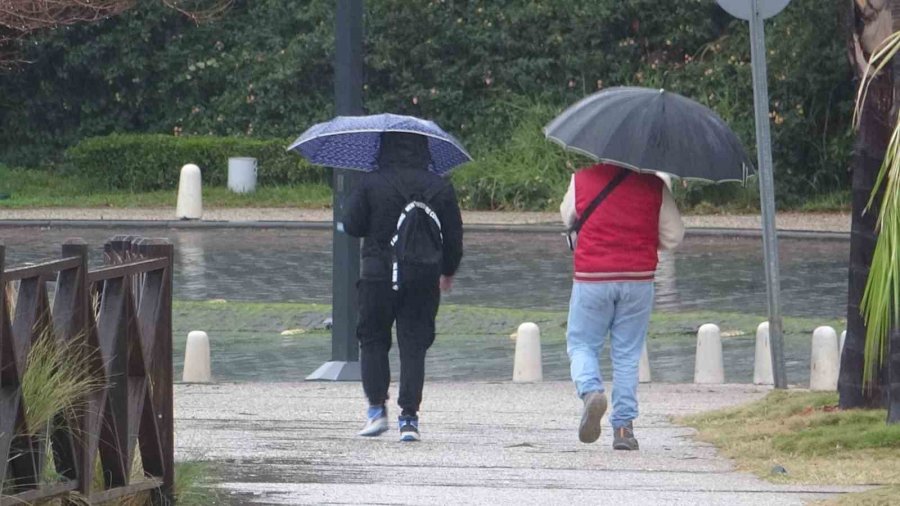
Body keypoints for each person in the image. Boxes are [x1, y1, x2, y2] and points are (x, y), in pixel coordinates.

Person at [343, 131, 463, 442]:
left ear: (383, 147)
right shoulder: (440, 185)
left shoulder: (372, 182)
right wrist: (447, 272)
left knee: (372, 340)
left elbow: (353, 225)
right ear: (425, 149)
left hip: (377, 275)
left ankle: (376, 411)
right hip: (423, 276)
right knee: (414, 346)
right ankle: (409, 419)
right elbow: (453, 237)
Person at [560, 163, 683, 450]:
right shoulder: (654, 185)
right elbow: (674, 236)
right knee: (628, 354)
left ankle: (591, 391)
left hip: (592, 276)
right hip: (638, 278)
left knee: (581, 345)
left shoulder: (582, 179)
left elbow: (568, 216)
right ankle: (624, 429)